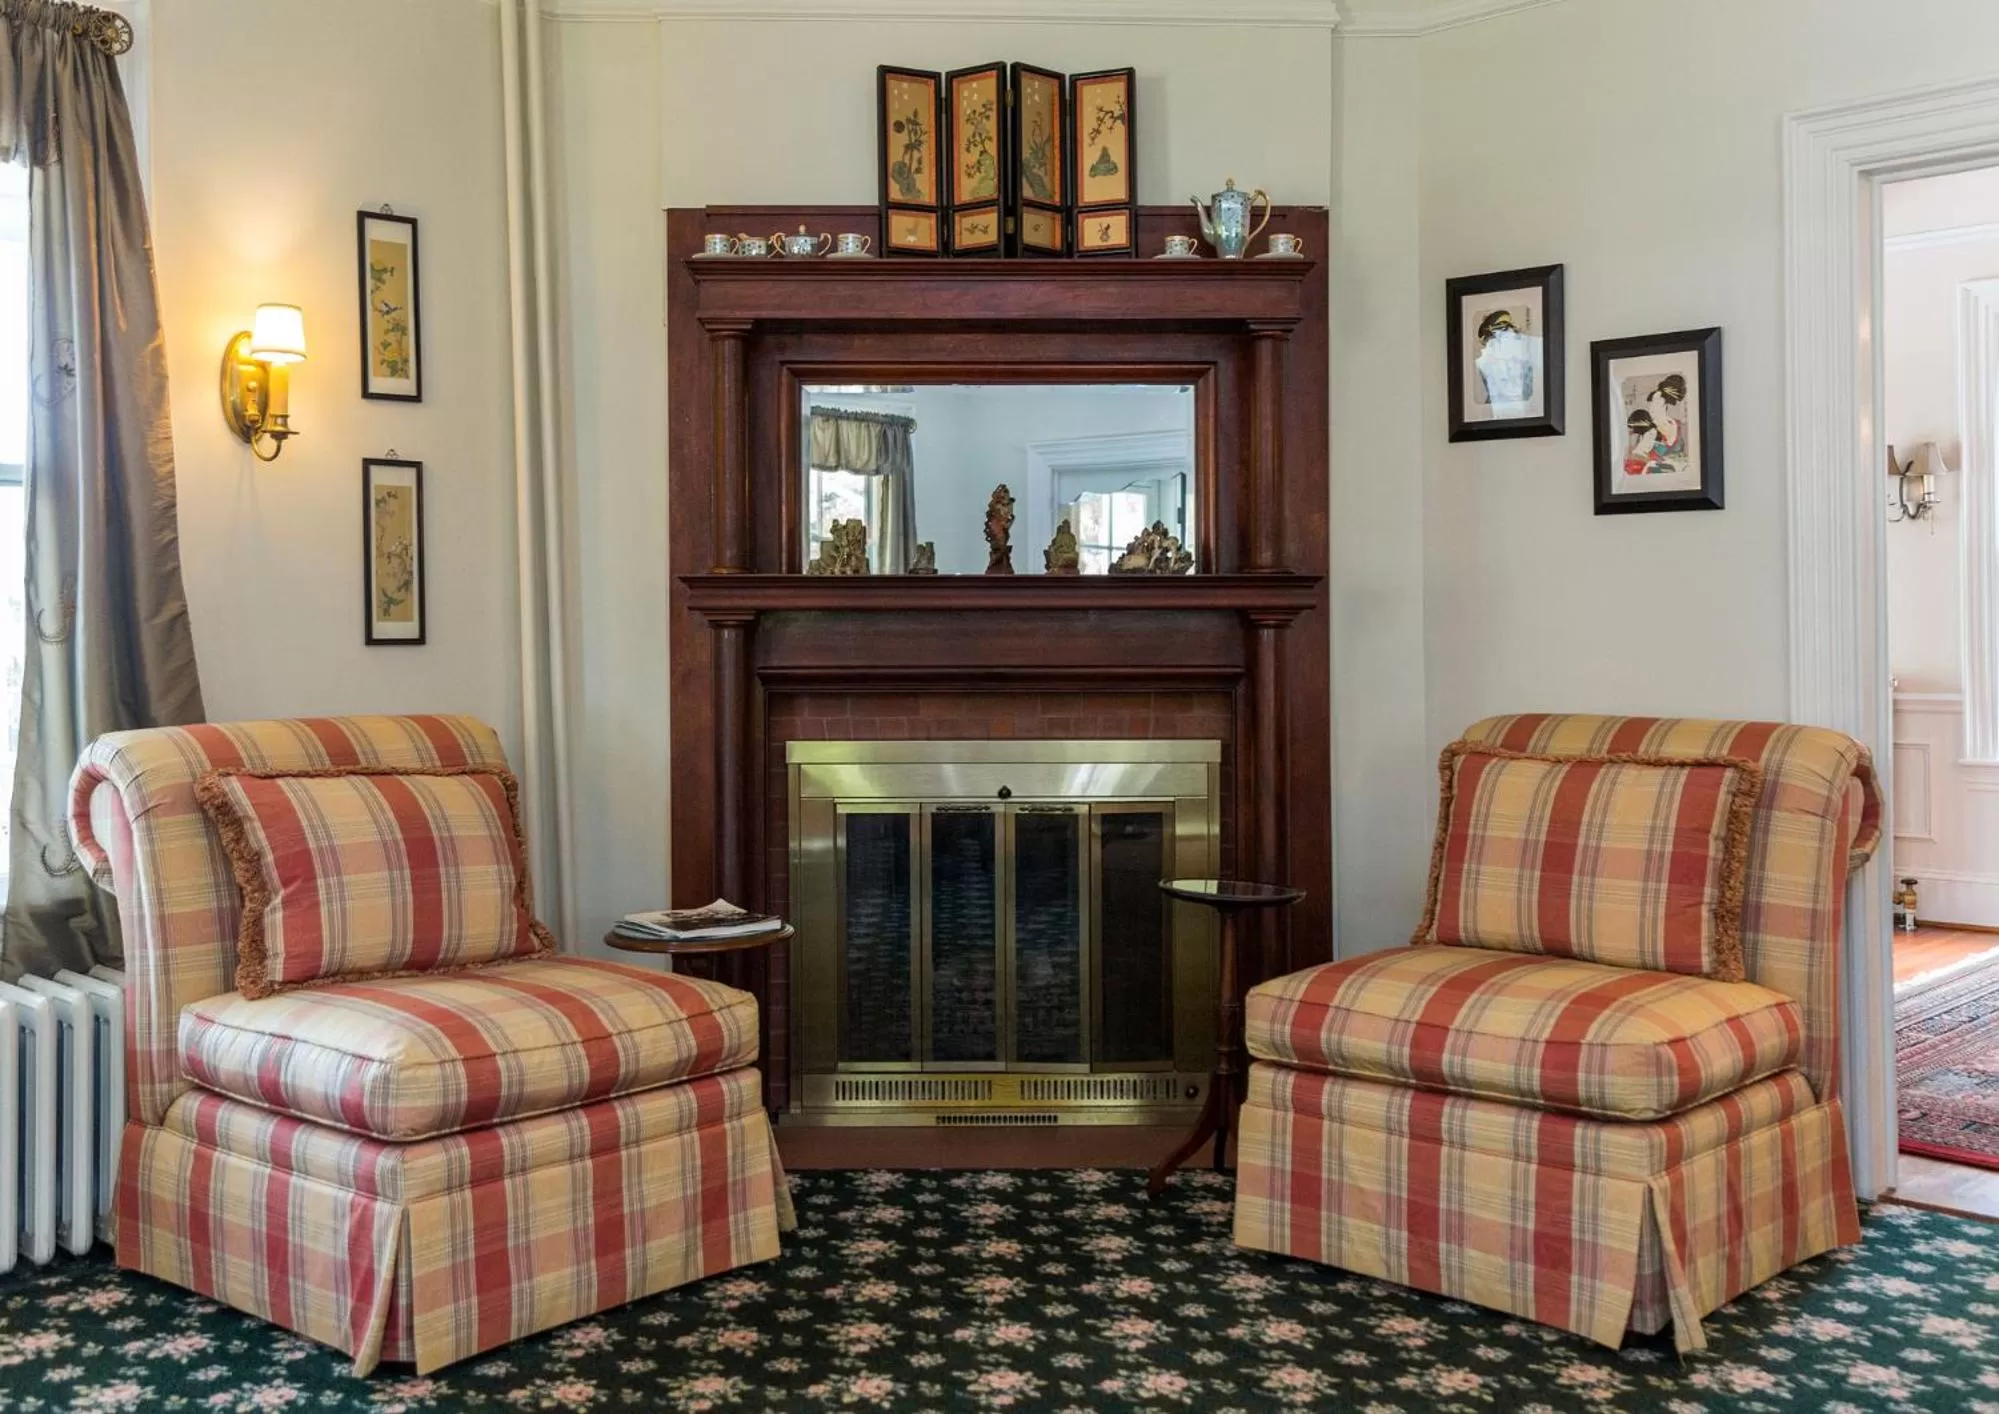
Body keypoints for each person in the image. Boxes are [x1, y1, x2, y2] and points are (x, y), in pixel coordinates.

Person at [1473, 308, 1538, 416]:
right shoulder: (1482, 364)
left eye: (1511, 326)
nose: (1509, 330)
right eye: (1503, 326)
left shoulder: (1522, 362)